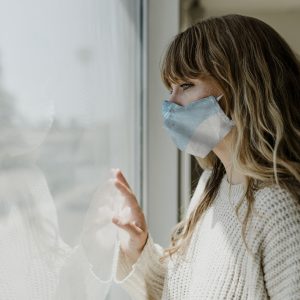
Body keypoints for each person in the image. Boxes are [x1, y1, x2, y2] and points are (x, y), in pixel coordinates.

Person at [110, 14, 300, 299]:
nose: (170, 103)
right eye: (170, 89)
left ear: (244, 89)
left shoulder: (279, 209)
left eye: (186, 85)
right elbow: (182, 291)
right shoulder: (212, 187)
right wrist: (139, 248)